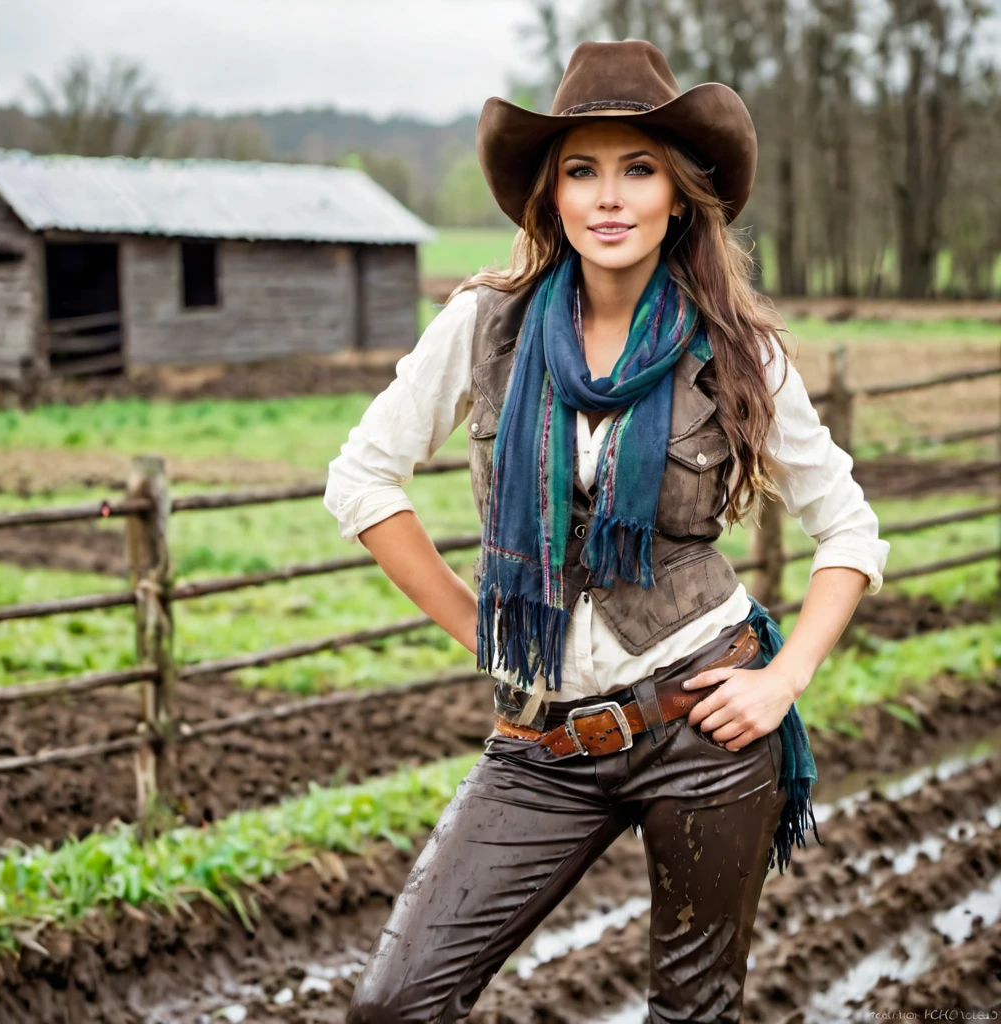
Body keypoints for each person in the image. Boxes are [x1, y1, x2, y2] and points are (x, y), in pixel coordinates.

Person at [324, 39, 889, 1024]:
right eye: (582, 170)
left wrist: (782, 676)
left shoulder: (736, 351)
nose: (610, 196)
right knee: (393, 1003)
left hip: (698, 725)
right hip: (540, 740)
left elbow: (846, 528)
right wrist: (485, 634)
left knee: (690, 1011)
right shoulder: (483, 327)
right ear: (551, 195)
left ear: (679, 194)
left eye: (638, 169)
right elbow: (362, 480)